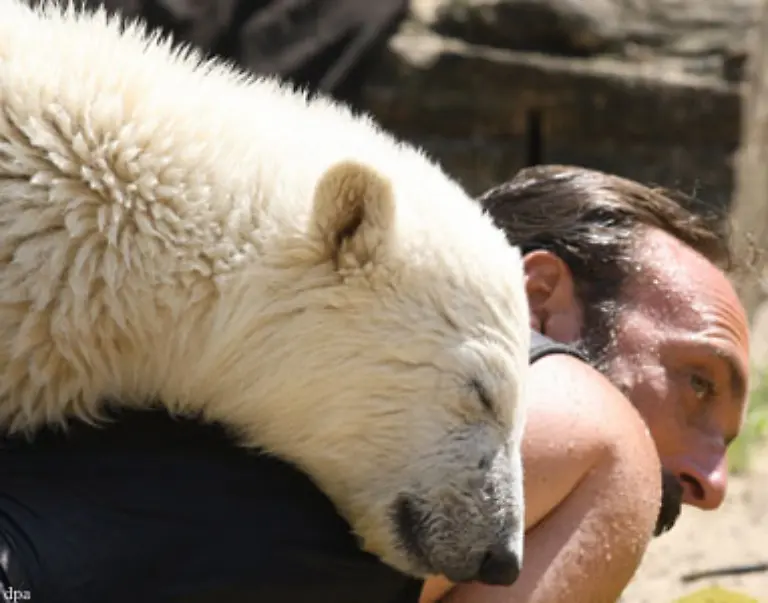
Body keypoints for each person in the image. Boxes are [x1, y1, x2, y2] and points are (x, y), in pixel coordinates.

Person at [0, 165, 750, 603]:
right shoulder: (595, 431)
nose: (714, 480)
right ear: (538, 299)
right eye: (696, 382)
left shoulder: (170, 318)